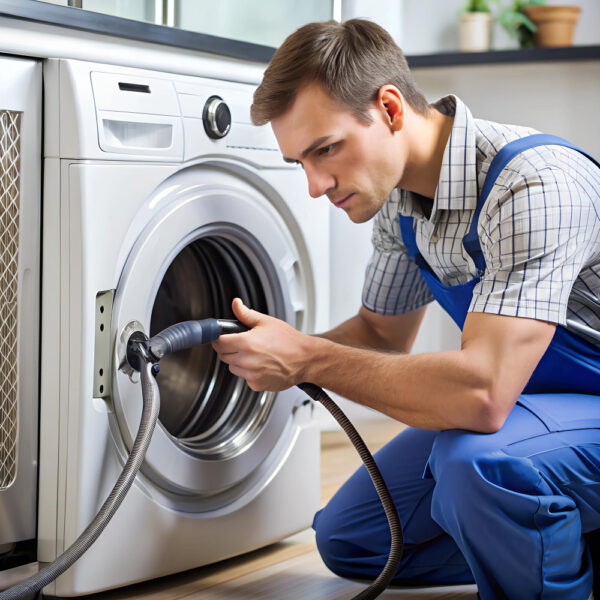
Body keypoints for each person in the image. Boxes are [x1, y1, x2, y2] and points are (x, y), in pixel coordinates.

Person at [212, 18, 600, 600]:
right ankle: (570, 536)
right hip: (537, 405)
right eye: (301, 163)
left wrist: (308, 360)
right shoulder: (401, 204)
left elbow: (484, 394)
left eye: (326, 149)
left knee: (478, 463)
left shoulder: (532, 185)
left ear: (390, 108)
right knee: (354, 539)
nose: (316, 185)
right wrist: (262, 358)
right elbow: (379, 333)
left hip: (555, 405)